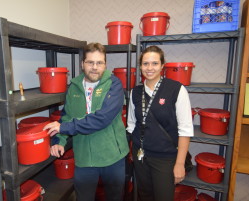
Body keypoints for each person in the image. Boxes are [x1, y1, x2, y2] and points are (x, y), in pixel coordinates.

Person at [43, 42, 129, 201]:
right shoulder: (74, 86)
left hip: (112, 156)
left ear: (105, 65)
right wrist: (59, 140)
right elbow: (67, 116)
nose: (95, 67)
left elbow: (102, 118)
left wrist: (63, 127)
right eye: (90, 62)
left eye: (99, 63)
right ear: (82, 64)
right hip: (84, 157)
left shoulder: (114, 84)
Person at [126, 45, 193, 201]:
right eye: (145, 63)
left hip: (165, 159)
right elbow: (131, 124)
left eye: (155, 63)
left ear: (162, 66)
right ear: (140, 66)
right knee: (145, 196)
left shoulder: (176, 90)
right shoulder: (135, 92)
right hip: (141, 155)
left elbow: (185, 130)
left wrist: (180, 163)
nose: (150, 68)